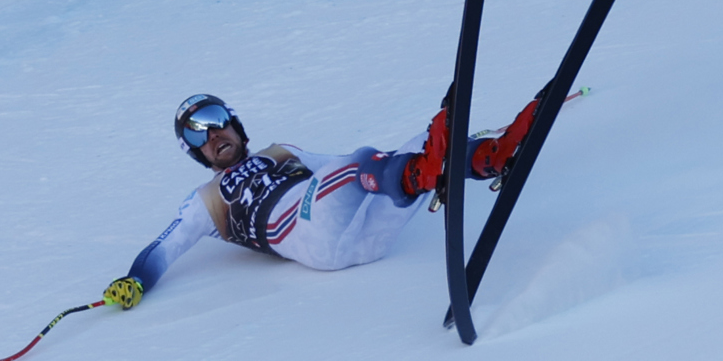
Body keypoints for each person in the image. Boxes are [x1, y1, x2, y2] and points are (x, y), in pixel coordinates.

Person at [101, 93, 538, 310]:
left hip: (366, 238)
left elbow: (341, 166)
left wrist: (417, 154)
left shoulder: (280, 151)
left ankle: (488, 159)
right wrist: (136, 281)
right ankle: (428, 171)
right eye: (198, 134)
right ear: (195, 153)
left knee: (411, 149)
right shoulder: (204, 201)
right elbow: (165, 248)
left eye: (216, 122)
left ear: (236, 124)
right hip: (306, 238)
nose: (213, 135)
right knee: (365, 163)